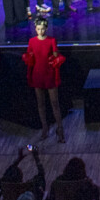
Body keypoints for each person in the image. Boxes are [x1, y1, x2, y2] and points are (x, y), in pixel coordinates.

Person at [23, 15, 66, 143]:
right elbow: (30, 57)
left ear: (46, 28)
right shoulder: (32, 41)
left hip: (49, 74)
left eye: (42, 29)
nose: (40, 31)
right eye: (38, 29)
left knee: (54, 103)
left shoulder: (51, 40)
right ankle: (45, 128)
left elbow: (56, 56)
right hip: (38, 74)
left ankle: (60, 129)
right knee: (40, 103)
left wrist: (54, 59)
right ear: (35, 29)